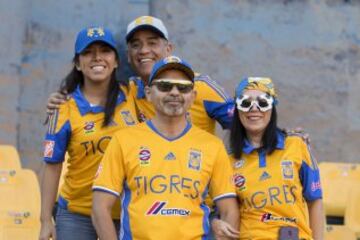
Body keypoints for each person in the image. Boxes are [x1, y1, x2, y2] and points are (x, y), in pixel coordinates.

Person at [91, 56, 240, 240]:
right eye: (164, 86)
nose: (174, 92)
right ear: (148, 93)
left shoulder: (212, 146)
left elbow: (229, 211)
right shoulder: (123, 140)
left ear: (193, 96)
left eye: (183, 87)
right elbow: (100, 208)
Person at [46, 15, 234, 135]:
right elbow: (91, 98)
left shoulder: (200, 86)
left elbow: (243, 125)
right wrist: (62, 99)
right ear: (128, 56)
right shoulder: (128, 91)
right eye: (136, 45)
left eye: (152, 43)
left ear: (168, 49)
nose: (144, 51)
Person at [39, 26, 138, 240]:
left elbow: (166, 84)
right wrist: (46, 219)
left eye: (105, 51)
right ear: (77, 63)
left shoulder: (134, 95)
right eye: (88, 52)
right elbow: (52, 165)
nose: (97, 58)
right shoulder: (64, 107)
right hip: (77, 215)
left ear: (116, 61)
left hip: (127, 214)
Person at [212, 77, 324, 240]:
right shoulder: (226, 159)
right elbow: (213, 209)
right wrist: (215, 223)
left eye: (263, 102)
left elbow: (315, 201)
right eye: (246, 103)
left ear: (273, 107)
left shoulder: (297, 144)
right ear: (238, 110)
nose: (254, 109)